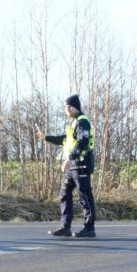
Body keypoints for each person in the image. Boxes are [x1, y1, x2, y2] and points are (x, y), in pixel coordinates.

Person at [43, 94, 97, 238]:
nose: (66, 110)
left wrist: (69, 159)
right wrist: (46, 138)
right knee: (64, 194)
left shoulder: (82, 122)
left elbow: (82, 142)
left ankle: (89, 227)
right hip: (73, 166)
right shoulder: (73, 123)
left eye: (67, 107)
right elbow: (65, 140)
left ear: (73, 107)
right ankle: (65, 227)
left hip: (82, 164)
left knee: (84, 195)